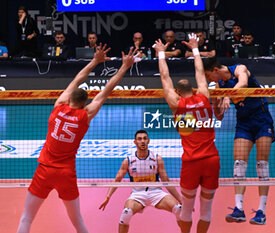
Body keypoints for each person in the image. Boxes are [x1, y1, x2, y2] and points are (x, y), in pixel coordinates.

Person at [16, 44, 136, 233]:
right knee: (78, 221)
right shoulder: (85, 116)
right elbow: (106, 90)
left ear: (70, 98)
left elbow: (77, 79)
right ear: (84, 103)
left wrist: (95, 61)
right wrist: (124, 66)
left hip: (44, 171)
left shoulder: (58, 106)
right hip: (66, 174)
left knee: (26, 218)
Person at [153, 33, 220, 233]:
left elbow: (165, 78)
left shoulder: (177, 104)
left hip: (191, 162)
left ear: (178, 92)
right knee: (206, 212)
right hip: (212, 159)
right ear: (193, 88)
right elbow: (200, 72)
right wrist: (196, 49)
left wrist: (161, 54)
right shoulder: (205, 96)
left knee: (186, 211)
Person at [203, 57, 275, 225]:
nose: (209, 80)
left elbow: (242, 83)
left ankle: (261, 211)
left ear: (215, 70)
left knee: (262, 165)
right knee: (239, 164)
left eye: (208, 76)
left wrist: (227, 95)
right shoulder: (219, 84)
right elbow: (219, 115)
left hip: (262, 120)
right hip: (243, 123)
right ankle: (238, 209)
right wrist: (216, 99)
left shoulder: (239, 69)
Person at [99, 130, 182, 233]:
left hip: (156, 193)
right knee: (126, 213)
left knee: (179, 209)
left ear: (148, 141)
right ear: (135, 142)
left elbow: (166, 181)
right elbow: (117, 180)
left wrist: (180, 199)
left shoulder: (157, 159)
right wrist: (108, 197)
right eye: (139, 139)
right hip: (137, 195)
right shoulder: (128, 161)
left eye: (144, 138)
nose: (142, 141)